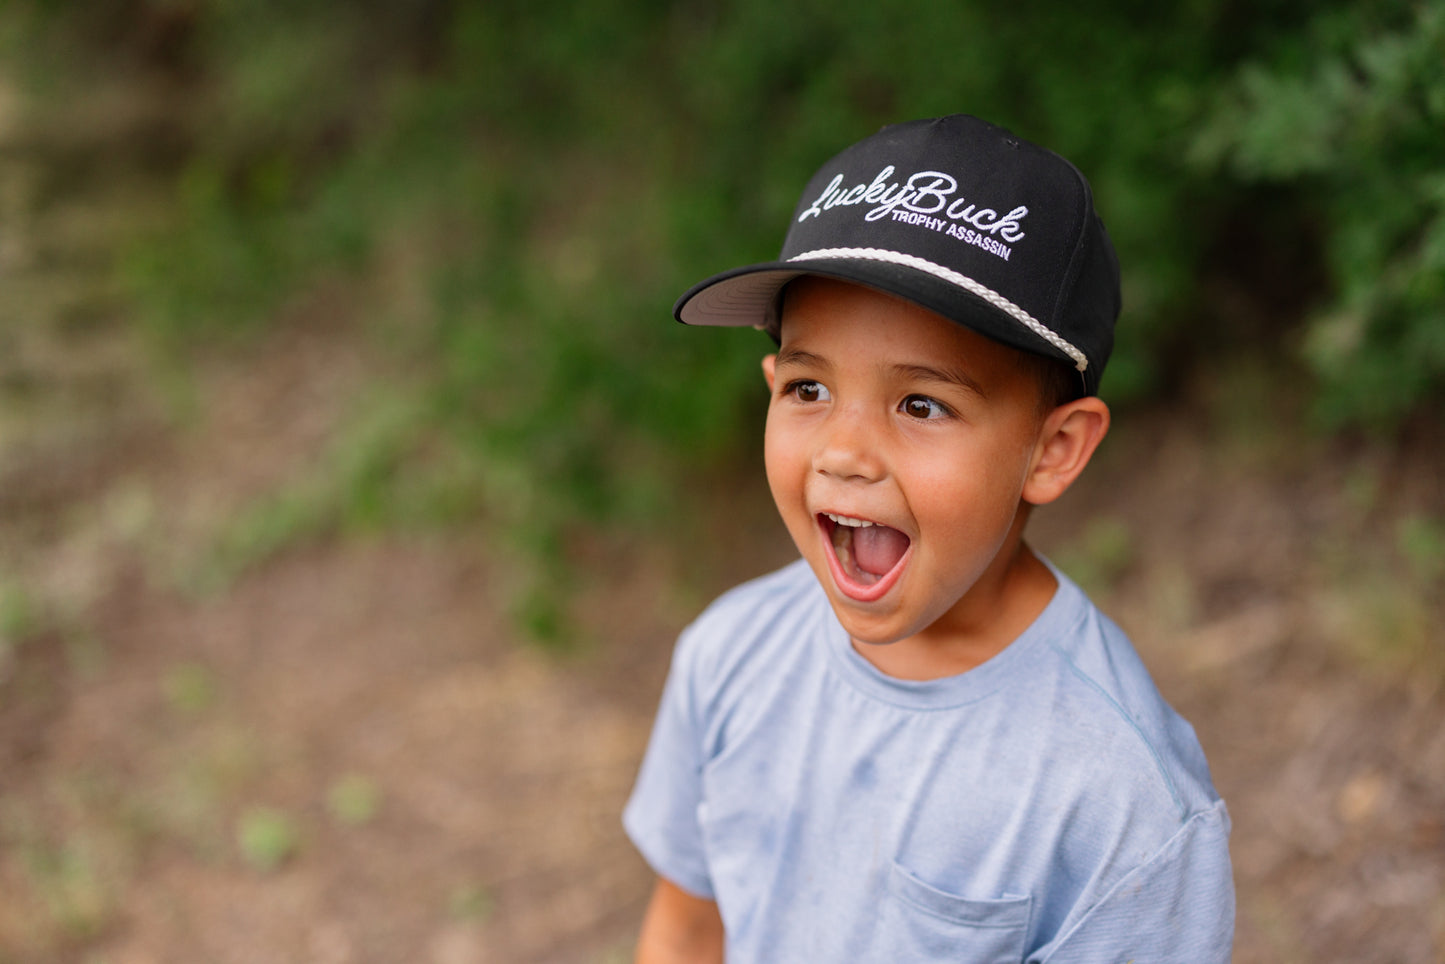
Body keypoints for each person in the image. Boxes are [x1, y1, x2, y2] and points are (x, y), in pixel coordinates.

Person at [623, 114, 1234, 963]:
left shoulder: (1119, 802)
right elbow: (690, 928)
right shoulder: (729, 655)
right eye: (808, 388)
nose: (842, 450)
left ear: (1052, 450)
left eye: (921, 404)